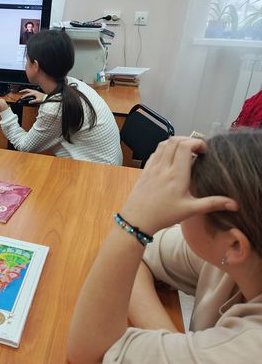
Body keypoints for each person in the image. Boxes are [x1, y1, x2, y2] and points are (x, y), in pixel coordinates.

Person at [67, 130, 262, 363]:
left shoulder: (246, 350)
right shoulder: (244, 254)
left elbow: (91, 350)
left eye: (188, 203)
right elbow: (140, 256)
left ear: (235, 245)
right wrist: (167, 337)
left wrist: (132, 221)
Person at [0, 29, 122, 165]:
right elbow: (60, 108)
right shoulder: (75, 84)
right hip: (108, 169)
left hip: (93, 176)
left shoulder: (54, 108)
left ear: (35, 66)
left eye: (27, 60)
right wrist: (47, 97)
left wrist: (3, 108)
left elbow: (24, 146)